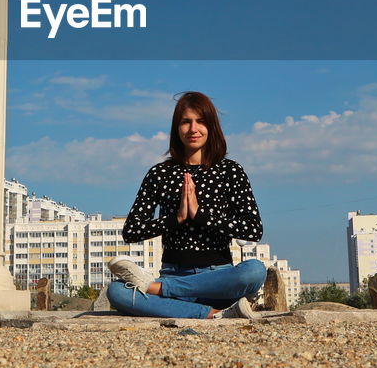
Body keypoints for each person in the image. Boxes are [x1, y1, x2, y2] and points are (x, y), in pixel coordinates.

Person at [106, 91, 266, 319]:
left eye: (201, 122)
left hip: (218, 280)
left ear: (211, 127)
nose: (193, 129)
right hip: (172, 273)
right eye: (186, 122)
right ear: (176, 128)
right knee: (116, 291)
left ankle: (158, 290)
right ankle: (214, 315)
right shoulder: (160, 173)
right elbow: (132, 231)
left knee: (255, 270)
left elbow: (252, 229)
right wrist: (176, 219)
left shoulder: (231, 171)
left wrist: (200, 215)